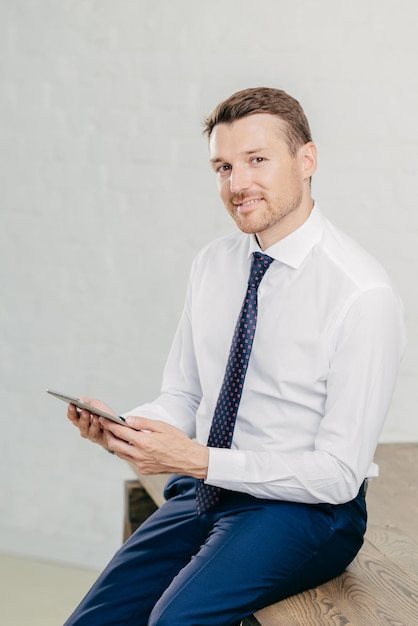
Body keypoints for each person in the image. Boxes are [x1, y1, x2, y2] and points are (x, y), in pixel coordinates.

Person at [64, 87, 405, 626]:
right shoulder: (214, 264)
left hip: (309, 513)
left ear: (307, 159)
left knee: (174, 622)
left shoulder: (360, 294)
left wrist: (196, 460)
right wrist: (130, 429)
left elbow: (339, 475)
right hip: (209, 488)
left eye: (257, 160)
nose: (237, 183)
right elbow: (185, 394)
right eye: (223, 166)